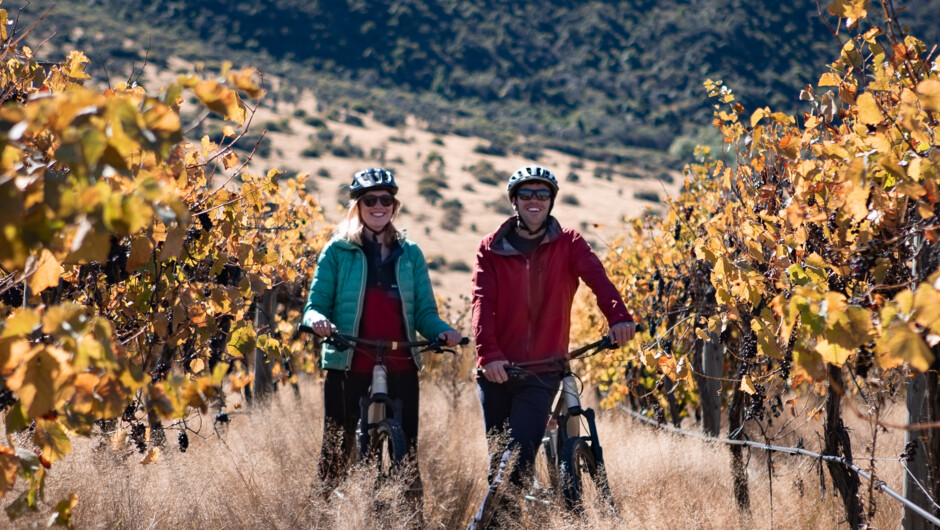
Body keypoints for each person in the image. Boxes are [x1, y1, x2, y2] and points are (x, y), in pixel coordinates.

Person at [471, 165, 636, 501]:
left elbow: (598, 281)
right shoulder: (490, 248)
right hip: (497, 371)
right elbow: (481, 302)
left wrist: (618, 317)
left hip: (542, 370)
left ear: (551, 201)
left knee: (515, 468)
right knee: (499, 468)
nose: (535, 200)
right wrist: (489, 355)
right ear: (514, 201)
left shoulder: (570, 243)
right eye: (527, 194)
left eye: (542, 194)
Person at [302, 167, 462, 499]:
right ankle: (321, 515)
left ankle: (412, 521)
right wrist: (318, 320)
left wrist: (444, 331)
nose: (379, 206)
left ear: (394, 205)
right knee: (336, 454)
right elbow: (315, 304)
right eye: (370, 199)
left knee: (408, 461)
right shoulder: (336, 252)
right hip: (349, 361)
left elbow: (425, 314)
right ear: (357, 205)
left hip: (401, 361)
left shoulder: (411, 253)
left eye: (386, 199)